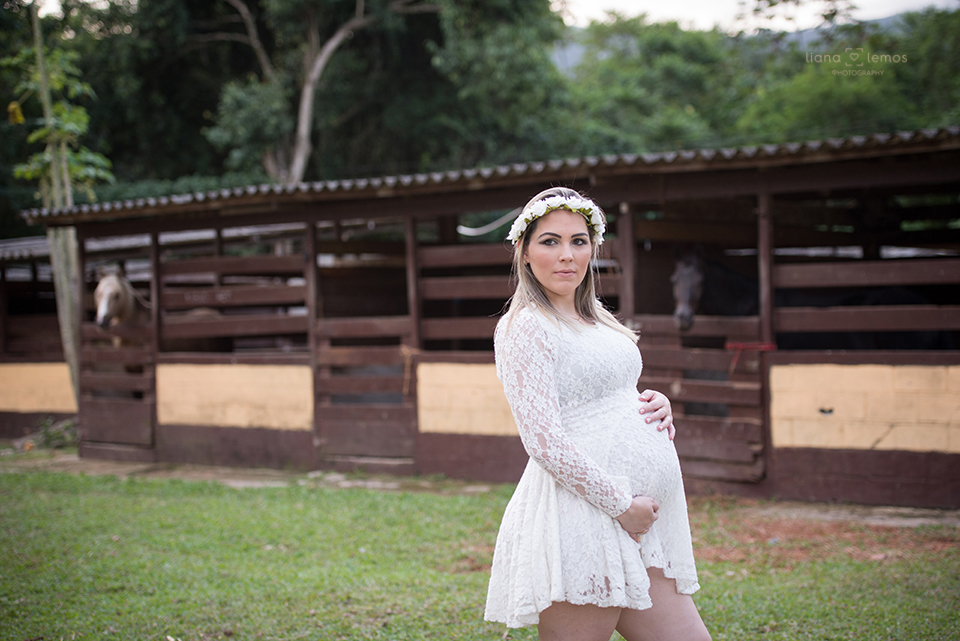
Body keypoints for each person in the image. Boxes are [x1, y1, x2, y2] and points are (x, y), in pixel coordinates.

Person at [484, 187, 711, 641]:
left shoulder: (600, 321)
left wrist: (652, 402)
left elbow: (606, 394)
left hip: (639, 528)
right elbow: (543, 441)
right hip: (584, 520)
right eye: (550, 241)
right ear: (524, 251)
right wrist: (621, 506)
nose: (566, 255)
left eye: (578, 241)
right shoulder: (526, 326)